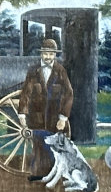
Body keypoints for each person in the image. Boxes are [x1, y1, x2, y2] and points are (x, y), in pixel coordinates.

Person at [17, 38, 74, 180]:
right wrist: (22, 114)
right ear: (41, 54)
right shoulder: (33, 71)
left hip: (54, 118)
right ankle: (37, 174)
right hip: (37, 118)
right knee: (38, 146)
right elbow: (26, 93)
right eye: (46, 54)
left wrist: (63, 118)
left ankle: (55, 174)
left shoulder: (60, 71)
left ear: (55, 55)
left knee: (53, 148)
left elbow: (69, 93)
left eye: (51, 54)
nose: (48, 57)